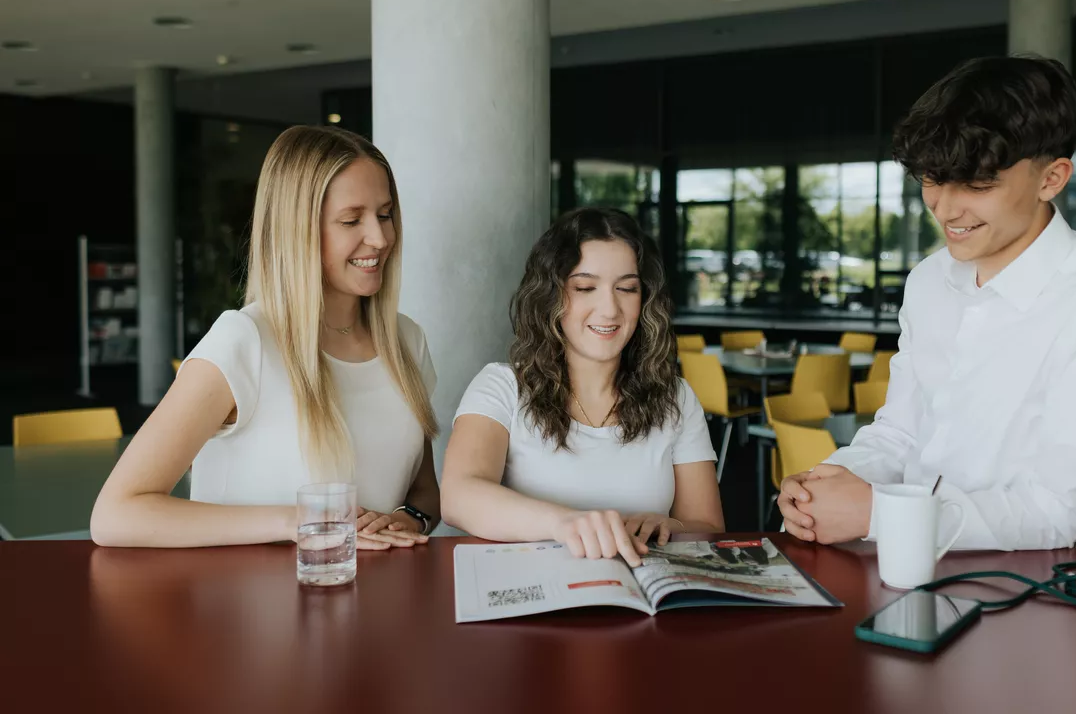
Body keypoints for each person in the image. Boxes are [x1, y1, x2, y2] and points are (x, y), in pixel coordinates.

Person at [779, 56, 1076, 551]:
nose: (945, 208)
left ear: (1052, 178)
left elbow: (1060, 510)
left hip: (1018, 593)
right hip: (895, 566)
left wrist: (881, 513)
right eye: (931, 179)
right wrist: (828, 481)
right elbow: (899, 433)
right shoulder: (928, 281)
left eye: (978, 185)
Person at [91, 125, 441, 549]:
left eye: (385, 214)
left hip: (370, 603)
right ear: (297, 230)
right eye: (352, 220)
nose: (381, 238)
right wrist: (296, 521)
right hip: (245, 608)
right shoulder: (244, 341)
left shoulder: (407, 341)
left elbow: (422, 492)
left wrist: (408, 520)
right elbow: (116, 513)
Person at [441, 208, 724, 565]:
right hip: (534, 603)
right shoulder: (501, 386)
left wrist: (672, 525)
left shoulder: (676, 397)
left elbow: (710, 527)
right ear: (551, 296)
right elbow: (458, 496)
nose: (609, 310)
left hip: (645, 602)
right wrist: (568, 523)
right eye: (585, 287)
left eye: (626, 288)